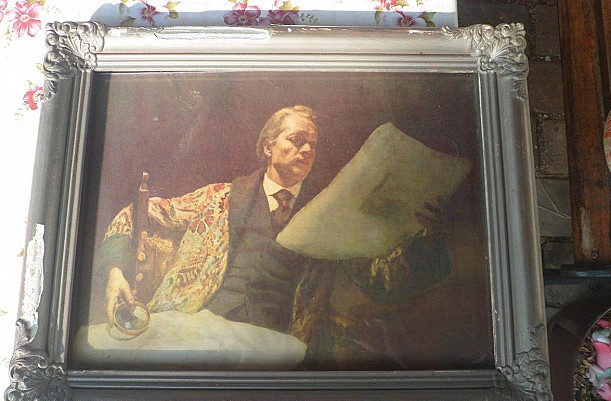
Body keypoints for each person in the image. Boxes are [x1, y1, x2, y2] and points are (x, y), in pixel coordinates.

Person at [100, 105, 450, 368]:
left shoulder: (329, 216)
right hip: (200, 325)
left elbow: (379, 278)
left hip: (275, 344)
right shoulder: (220, 198)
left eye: (313, 145)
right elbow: (139, 213)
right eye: (296, 140)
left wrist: (429, 240)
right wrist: (115, 271)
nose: (307, 150)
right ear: (268, 147)